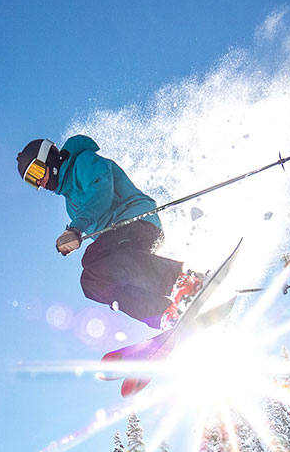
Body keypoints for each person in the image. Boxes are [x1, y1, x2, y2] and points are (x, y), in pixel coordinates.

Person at [16, 135, 203, 329]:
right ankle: (163, 313)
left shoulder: (83, 162)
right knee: (92, 282)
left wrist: (76, 228)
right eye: (31, 180)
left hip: (138, 220)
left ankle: (180, 281)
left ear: (49, 158)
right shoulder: (69, 204)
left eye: (36, 171)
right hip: (123, 243)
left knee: (94, 257)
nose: (39, 181)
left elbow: (101, 192)